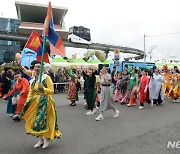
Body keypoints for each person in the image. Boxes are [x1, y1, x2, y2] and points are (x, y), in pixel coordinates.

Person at [19, 61, 62, 149]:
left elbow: (52, 91)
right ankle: (41, 139)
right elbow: (31, 89)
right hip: (35, 102)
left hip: (45, 102)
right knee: (33, 121)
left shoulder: (46, 78)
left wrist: (44, 88)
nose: (36, 68)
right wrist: (28, 102)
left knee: (41, 121)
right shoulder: (35, 77)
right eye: (35, 67)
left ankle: (47, 139)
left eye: (39, 67)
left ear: (42, 68)